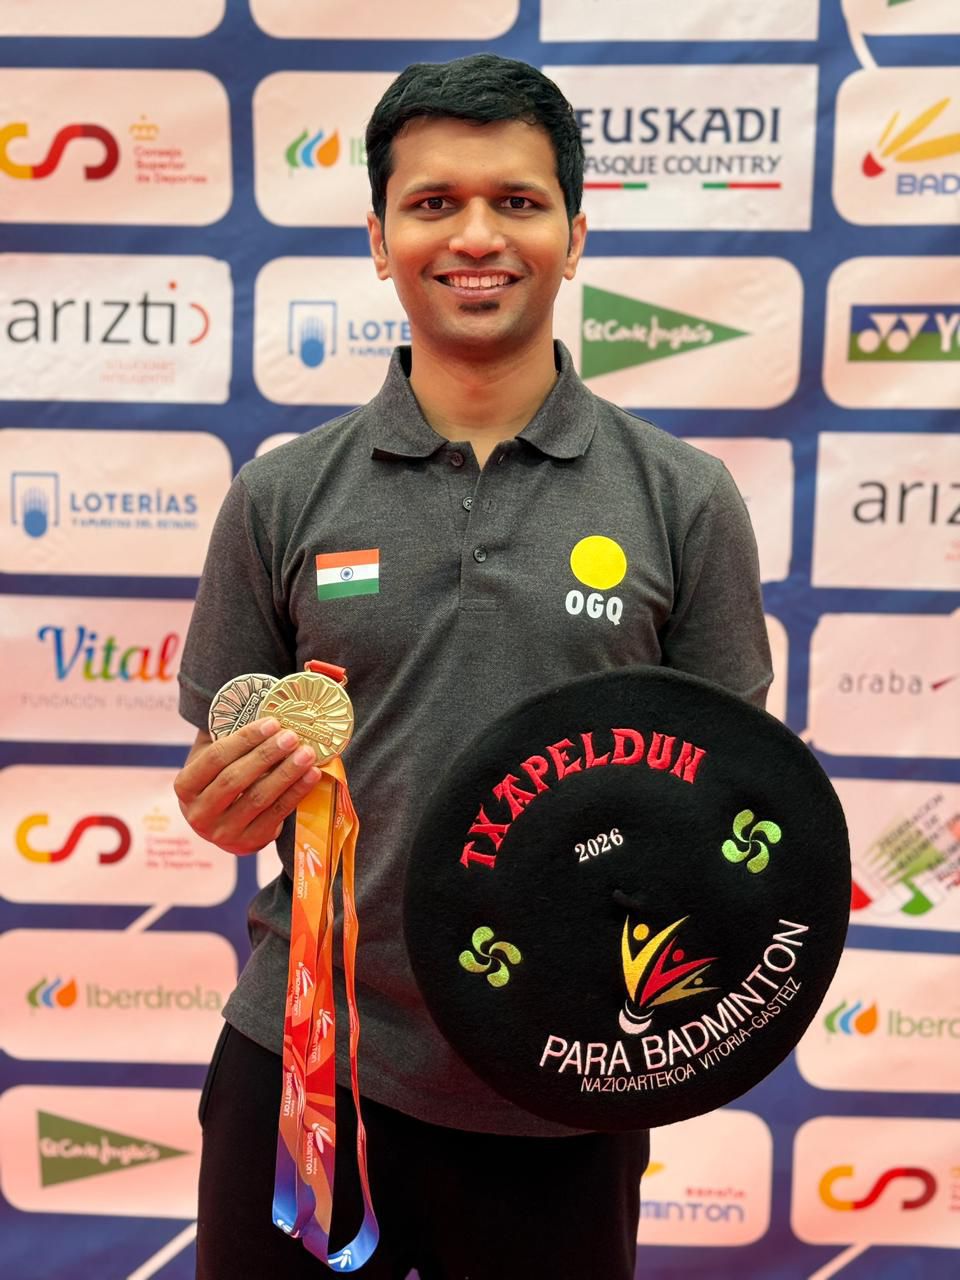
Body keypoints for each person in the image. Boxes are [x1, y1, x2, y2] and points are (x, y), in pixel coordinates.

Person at [175, 54, 772, 1280]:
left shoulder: (684, 497)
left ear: (575, 234)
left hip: (566, 1081)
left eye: (519, 200)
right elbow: (224, 767)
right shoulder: (282, 495)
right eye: (434, 202)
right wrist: (217, 800)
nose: (478, 236)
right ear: (380, 240)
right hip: (310, 1064)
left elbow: (724, 802)